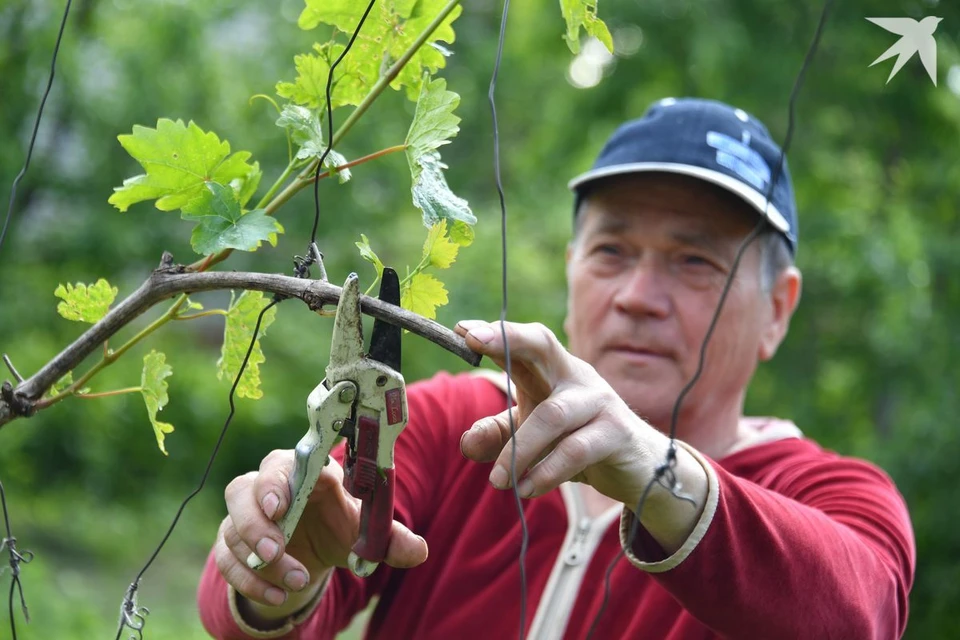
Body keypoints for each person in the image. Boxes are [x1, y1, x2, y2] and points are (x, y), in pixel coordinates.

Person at [196, 97, 916, 639]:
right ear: (572, 269)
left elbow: (860, 612)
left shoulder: (832, 494)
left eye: (696, 262)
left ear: (778, 311)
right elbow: (250, 609)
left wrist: (649, 468)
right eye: (611, 252)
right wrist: (277, 572)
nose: (637, 297)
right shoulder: (453, 422)